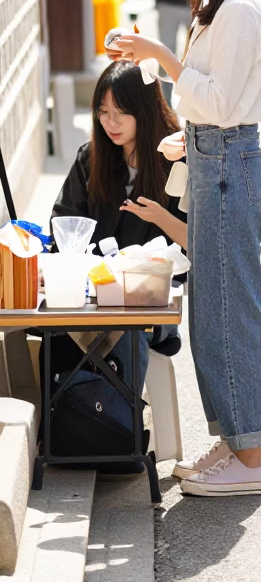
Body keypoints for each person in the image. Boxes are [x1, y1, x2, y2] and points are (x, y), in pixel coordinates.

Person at [110, 0, 261, 499]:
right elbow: (217, 102)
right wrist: (192, 137)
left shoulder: (239, 7)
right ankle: (238, 442)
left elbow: (219, 99)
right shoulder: (228, 3)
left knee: (230, 313)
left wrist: (158, 54)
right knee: (215, 311)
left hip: (229, 164)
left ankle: (253, 455)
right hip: (218, 158)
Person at [51, 61, 187, 392]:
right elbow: (62, 223)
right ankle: (64, 430)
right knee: (56, 329)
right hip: (90, 298)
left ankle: (121, 431)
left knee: (124, 329)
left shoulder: (176, 162)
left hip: (150, 304)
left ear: (145, 110)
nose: (110, 122)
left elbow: (186, 250)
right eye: (103, 111)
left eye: (121, 112)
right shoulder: (90, 159)